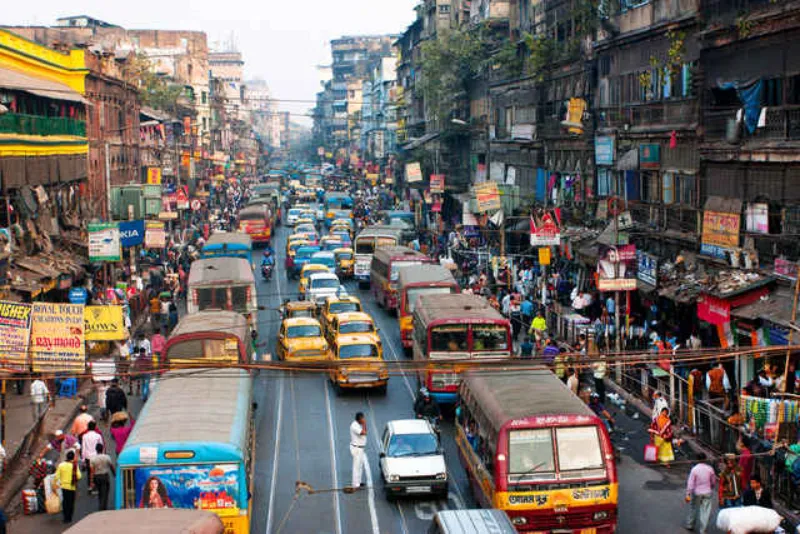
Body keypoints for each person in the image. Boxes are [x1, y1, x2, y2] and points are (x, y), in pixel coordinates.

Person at [684, 453, 716, 534]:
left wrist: (688, 494)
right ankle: (703, 530)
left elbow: (690, 483)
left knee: (693, 508)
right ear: (705, 459)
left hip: (696, 493)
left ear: (697, 459)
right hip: (707, 492)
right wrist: (711, 487)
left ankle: (690, 525)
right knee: (705, 511)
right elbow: (713, 481)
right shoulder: (710, 469)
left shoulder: (694, 469)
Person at [55, 450, 81, 523]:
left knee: (65, 502)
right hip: (72, 487)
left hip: (63, 487)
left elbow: (57, 476)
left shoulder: (61, 465)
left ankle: (65, 517)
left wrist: (56, 484)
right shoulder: (75, 466)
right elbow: (79, 476)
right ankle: (69, 517)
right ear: (73, 458)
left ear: (66, 457)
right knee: (71, 502)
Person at [90, 443, 115, 511]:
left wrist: (91, 482)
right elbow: (111, 467)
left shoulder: (93, 459)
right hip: (105, 476)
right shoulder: (107, 457)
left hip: (97, 477)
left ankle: (101, 505)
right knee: (105, 493)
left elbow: (92, 471)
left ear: (96, 450)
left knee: (100, 493)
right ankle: (102, 508)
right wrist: (114, 474)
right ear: (103, 449)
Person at [81, 421, 104, 492]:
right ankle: (96, 487)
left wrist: (83, 460)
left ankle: (90, 486)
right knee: (96, 472)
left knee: (89, 472)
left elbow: (84, 448)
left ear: (88, 427)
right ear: (95, 427)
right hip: (96, 456)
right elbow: (101, 446)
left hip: (88, 457)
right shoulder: (98, 436)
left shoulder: (84, 436)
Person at [350, 412, 367, 489]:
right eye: (362, 418)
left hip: (360, 448)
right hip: (357, 448)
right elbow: (364, 432)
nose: (364, 419)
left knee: (360, 466)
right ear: (359, 419)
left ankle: (358, 482)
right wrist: (364, 424)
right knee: (356, 467)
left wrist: (364, 424)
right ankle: (355, 484)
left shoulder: (358, 424)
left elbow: (365, 431)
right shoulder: (354, 426)